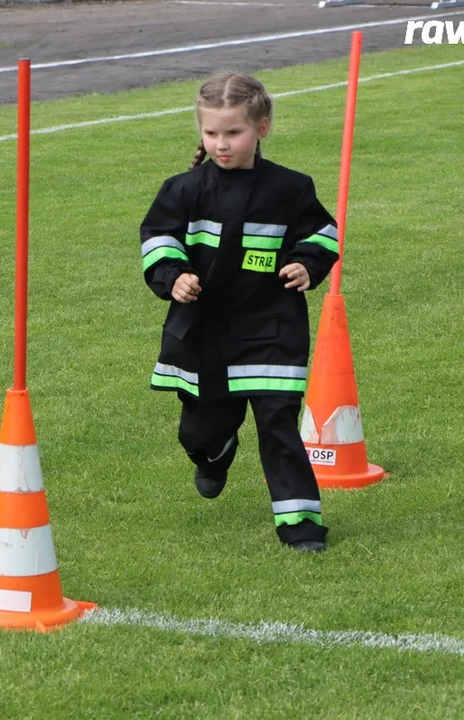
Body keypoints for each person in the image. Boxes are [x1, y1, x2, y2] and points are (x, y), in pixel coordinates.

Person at [139, 70, 340, 553]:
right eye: (211, 133)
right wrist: (174, 276)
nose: (221, 144)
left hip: (272, 329)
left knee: (278, 427)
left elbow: (322, 235)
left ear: (262, 128)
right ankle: (214, 453)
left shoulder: (291, 188)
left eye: (233, 132)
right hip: (204, 332)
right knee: (200, 428)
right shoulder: (183, 190)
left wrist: (304, 265)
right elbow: (158, 240)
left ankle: (301, 527)